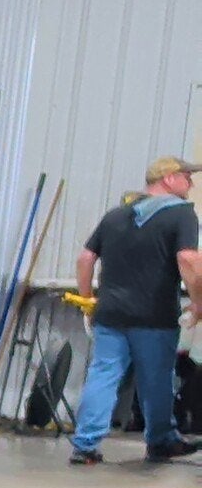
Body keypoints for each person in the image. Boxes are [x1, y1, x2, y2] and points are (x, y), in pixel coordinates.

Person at [72, 155, 202, 463]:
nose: (191, 183)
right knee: (156, 378)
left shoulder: (116, 215)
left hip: (111, 313)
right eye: (186, 176)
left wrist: (87, 298)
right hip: (154, 316)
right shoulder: (182, 214)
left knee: (103, 374)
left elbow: (85, 259)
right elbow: (188, 259)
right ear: (168, 178)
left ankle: (85, 446)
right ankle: (160, 441)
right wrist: (199, 302)